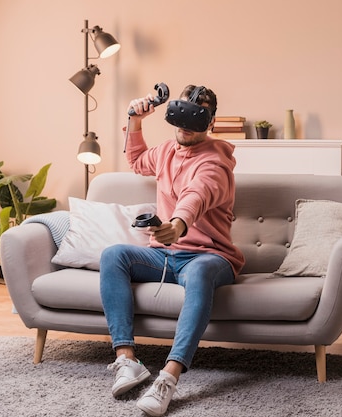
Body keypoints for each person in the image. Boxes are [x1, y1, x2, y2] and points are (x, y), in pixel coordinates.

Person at [99, 84, 245, 416]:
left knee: (203, 270)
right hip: (164, 255)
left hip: (210, 256)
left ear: (210, 122)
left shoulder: (217, 161)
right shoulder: (166, 150)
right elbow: (137, 161)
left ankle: (169, 377)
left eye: (199, 114)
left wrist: (177, 225)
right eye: (184, 111)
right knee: (114, 255)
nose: (187, 123)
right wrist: (135, 120)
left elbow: (197, 194)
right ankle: (127, 359)